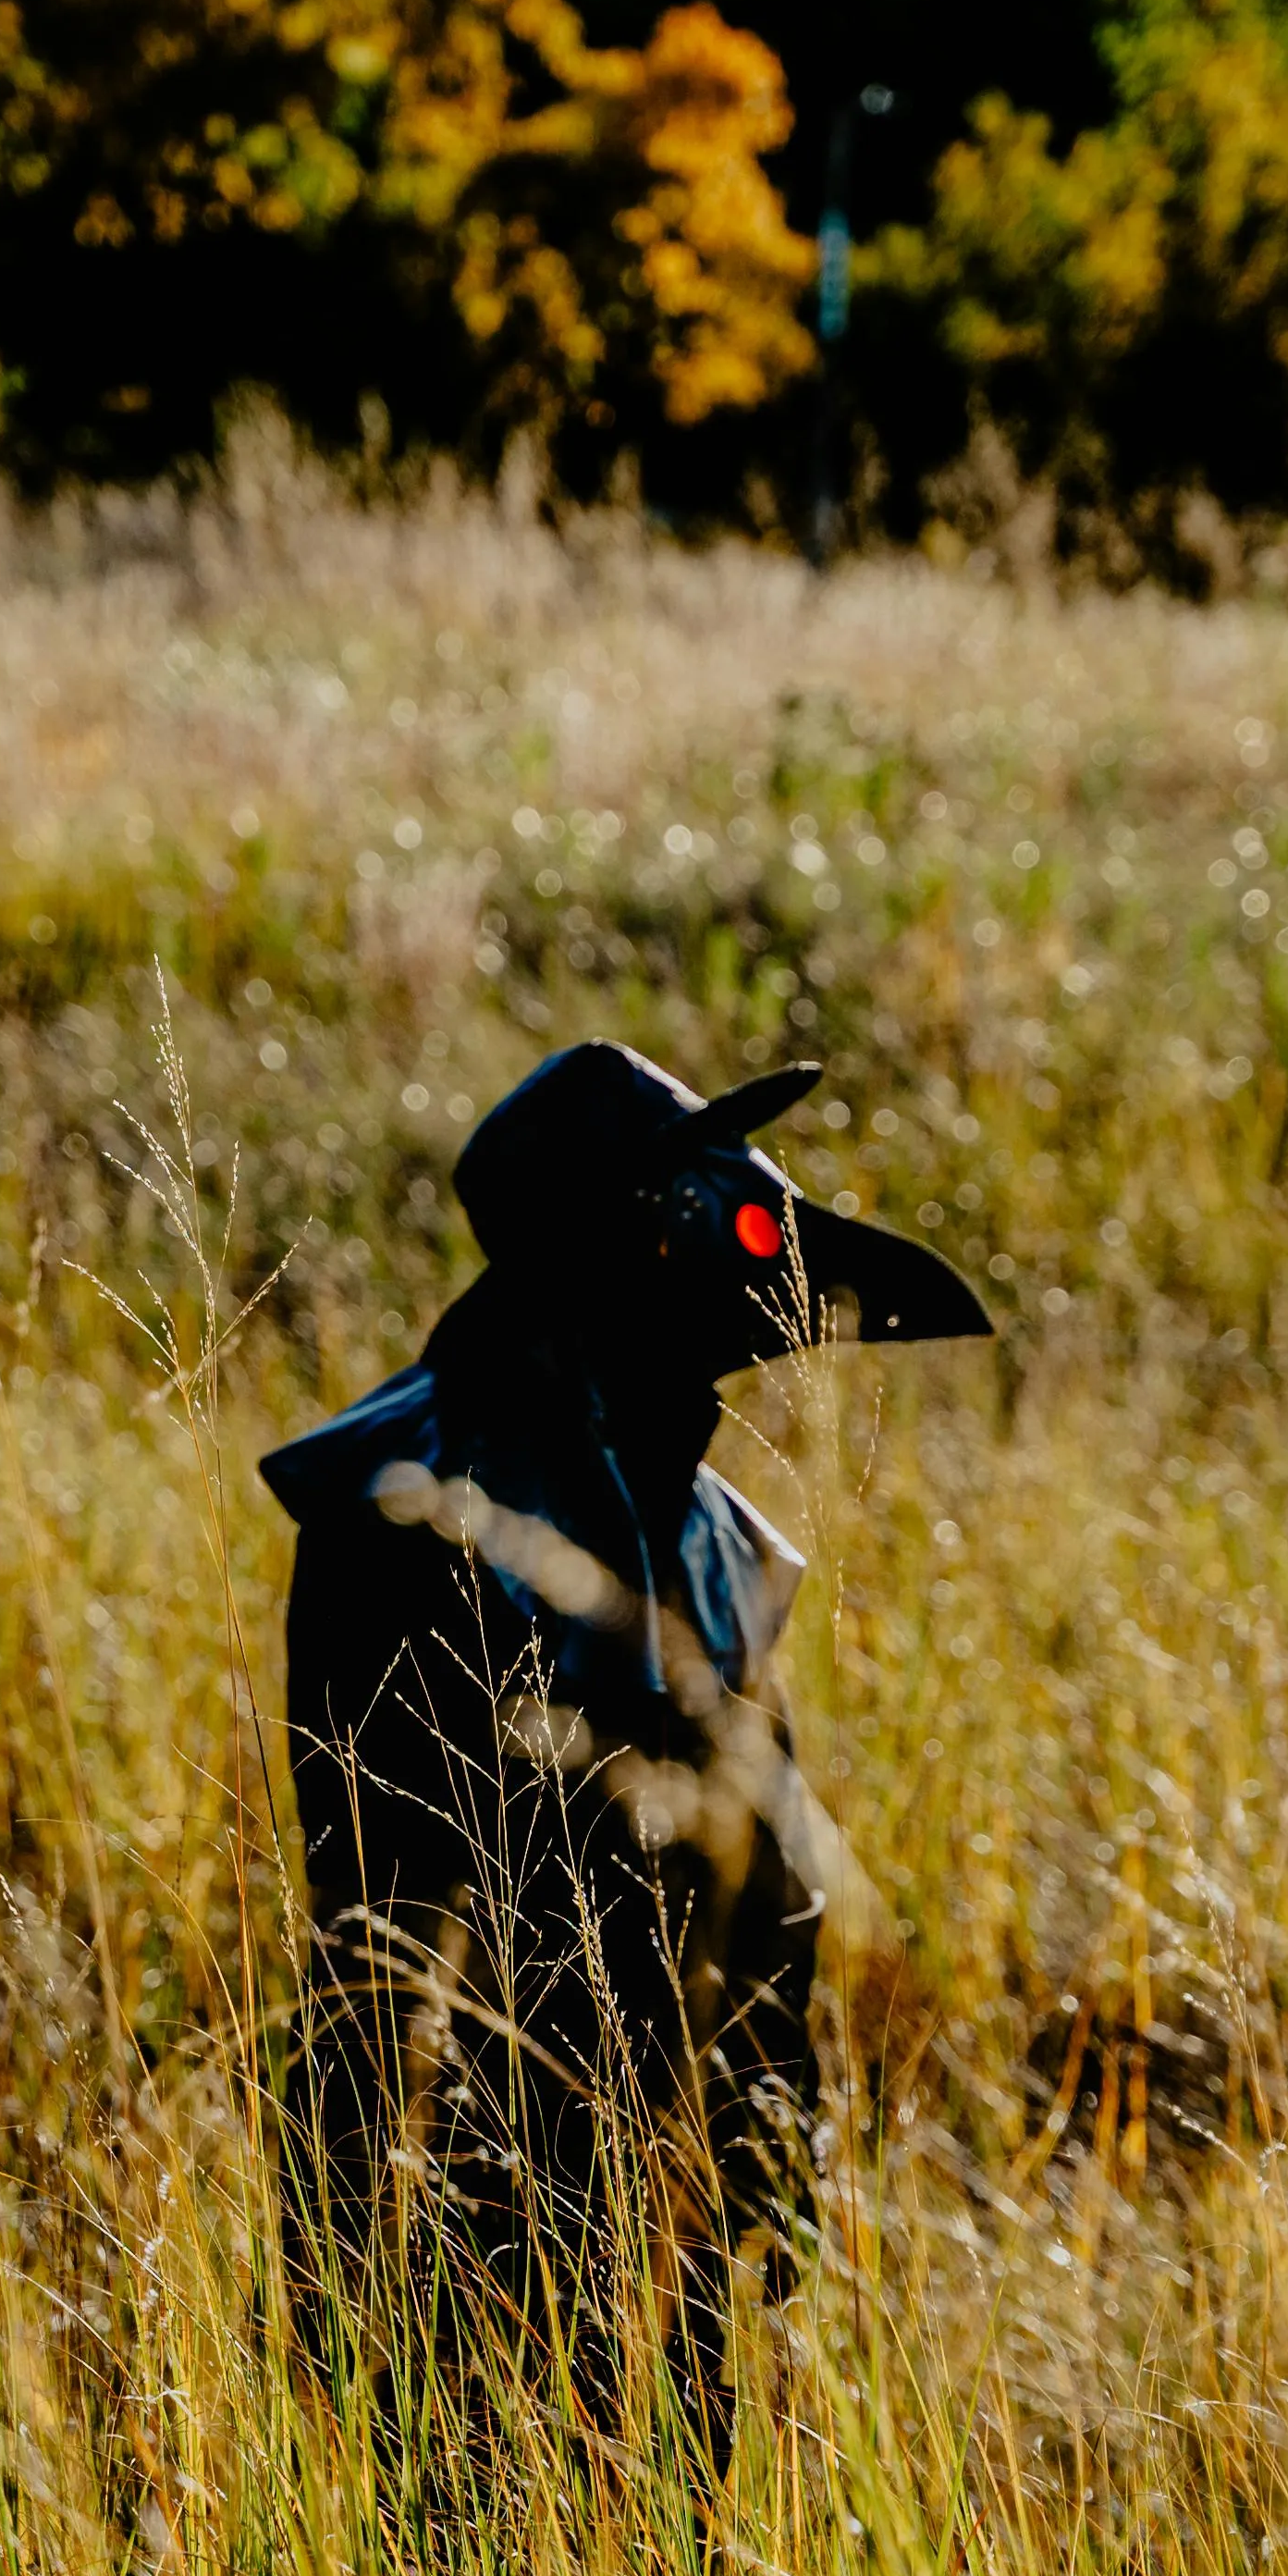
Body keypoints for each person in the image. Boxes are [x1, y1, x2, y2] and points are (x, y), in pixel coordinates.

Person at [262, 1041, 989, 2459]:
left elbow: (770, 1877)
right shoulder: (411, 1505)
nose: (749, 1232)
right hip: (463, 2176)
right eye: (703, 1208)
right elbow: (383, 1904)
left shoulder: (710, 1531)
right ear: (623, 1236)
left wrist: (771, 2138)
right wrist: (371, 2212)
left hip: (672, 2176)